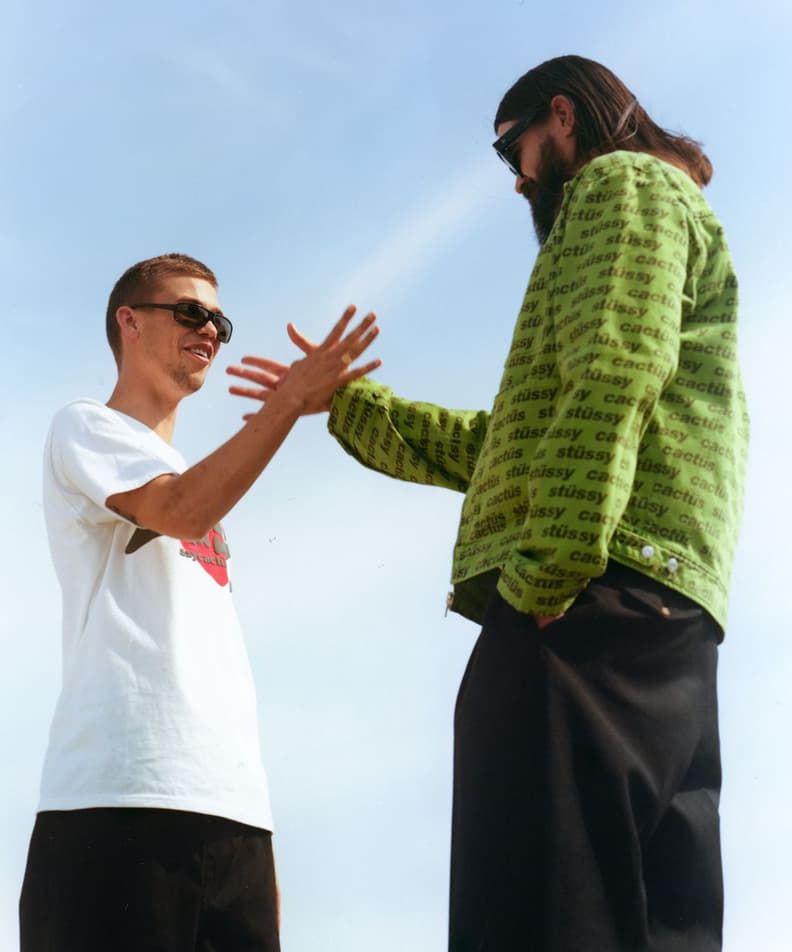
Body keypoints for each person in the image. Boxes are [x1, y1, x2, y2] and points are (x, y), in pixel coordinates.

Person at [228, 57, 749, 951]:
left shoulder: (619, 183)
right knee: (657, 923)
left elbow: (617, 370)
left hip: (589, 602)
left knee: (539, 915)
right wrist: (349, 406)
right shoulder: (670, 208)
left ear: (563, 116)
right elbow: (505, 451)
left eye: (514, 149)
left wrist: (550, 574)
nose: (516, 179)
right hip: (665, 613)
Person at [20, 253, 380, 952]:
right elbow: (179, 511)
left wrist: (256, 834)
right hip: (116, 805)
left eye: (219, 319)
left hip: (231, 824)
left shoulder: (200, 480)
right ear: (129, 321)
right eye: (189, 312)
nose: (210, 330)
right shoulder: (85, 429)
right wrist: (284, 406)